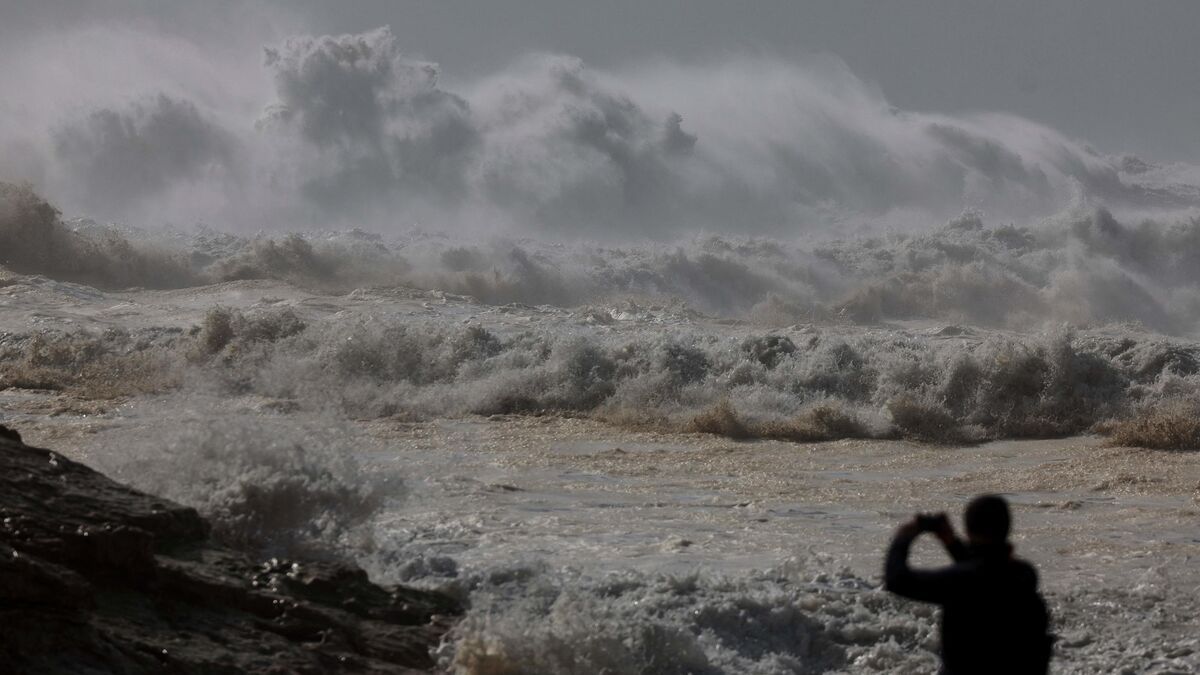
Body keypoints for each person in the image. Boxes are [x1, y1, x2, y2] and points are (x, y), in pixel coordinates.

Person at [884, 494, 1053, 674]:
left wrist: (902, 538)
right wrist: (952, 543)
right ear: (1007, 527)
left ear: (968, 529)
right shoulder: (1024, 575)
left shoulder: (960, 582)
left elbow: (897, 580)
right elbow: (986, 572)